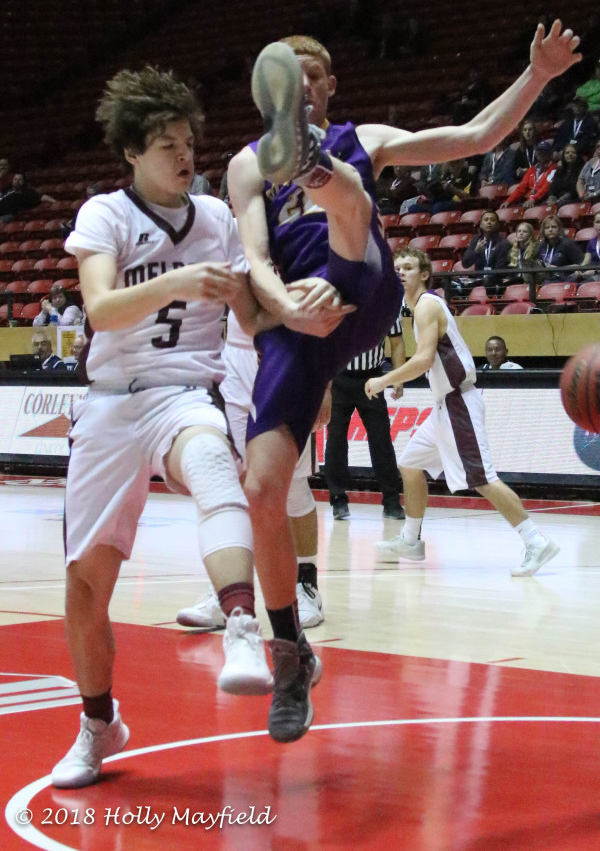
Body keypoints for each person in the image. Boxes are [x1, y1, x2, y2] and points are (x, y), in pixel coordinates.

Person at [227, 21, 580, 742]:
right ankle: (290, 652)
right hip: (300, 318)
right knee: (262, 487)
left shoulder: (371, 136)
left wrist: (539, 74)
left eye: (311, 76)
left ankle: (317, 170)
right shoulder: (243, 166)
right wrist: (287, 303)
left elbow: (478, 135)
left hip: (362, 284)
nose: (301, 84)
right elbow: (256, 259)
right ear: (271, 92)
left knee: (350, 195)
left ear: (327, 87)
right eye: (285, 77)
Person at [50, 65, 306, 789]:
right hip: (108, 402)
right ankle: (99, 723)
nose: (184, 154)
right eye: (166, 143)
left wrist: (296, 336)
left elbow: (252, 316)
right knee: (85, 588)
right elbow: (100, 308)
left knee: (215, 468)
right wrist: (178, 282)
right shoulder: (106, 214)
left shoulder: (220, 220)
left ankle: (241, 630)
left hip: (184, 390)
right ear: (131, 152)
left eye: (189, 141)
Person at [367, 247, 559, 575]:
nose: (401, 272)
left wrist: (385, 377)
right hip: (444, 406)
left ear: (424, 274)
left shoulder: (427, 305)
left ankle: (536, 541)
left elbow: (425, 359)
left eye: (408, 267)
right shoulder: (415, 308)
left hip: (458, 403)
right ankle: (411, 540)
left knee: (482, 478)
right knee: (410, 465)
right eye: (397, 267)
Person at [176, 309, 327, 631]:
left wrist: (325, 385)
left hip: (290, 361)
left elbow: (328, 315)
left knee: (291, 488)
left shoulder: (303, 260)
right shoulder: (234, 258)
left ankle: (306, 585)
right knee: (234, 486)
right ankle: (229, 593)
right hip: (235, 368)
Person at [325, 317, 406, 522]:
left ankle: (391, 500)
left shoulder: (388, 303)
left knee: (381, 440)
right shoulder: (337, 298)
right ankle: (338, 497)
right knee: (335, 439)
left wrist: (398, 377)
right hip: (339, 377)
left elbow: (396, 342)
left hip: (372, 378)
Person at [501, 139, 556, 208]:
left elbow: (546, 187)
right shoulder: (532, 170)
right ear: (536, 154)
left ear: (549, 154)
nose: (541, 154)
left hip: (543, 201)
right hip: (529, 202)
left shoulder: (554, 168)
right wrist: (508, 201)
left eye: (544, 152)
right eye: (539, 151)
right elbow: (521, 188)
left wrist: (533, 199)